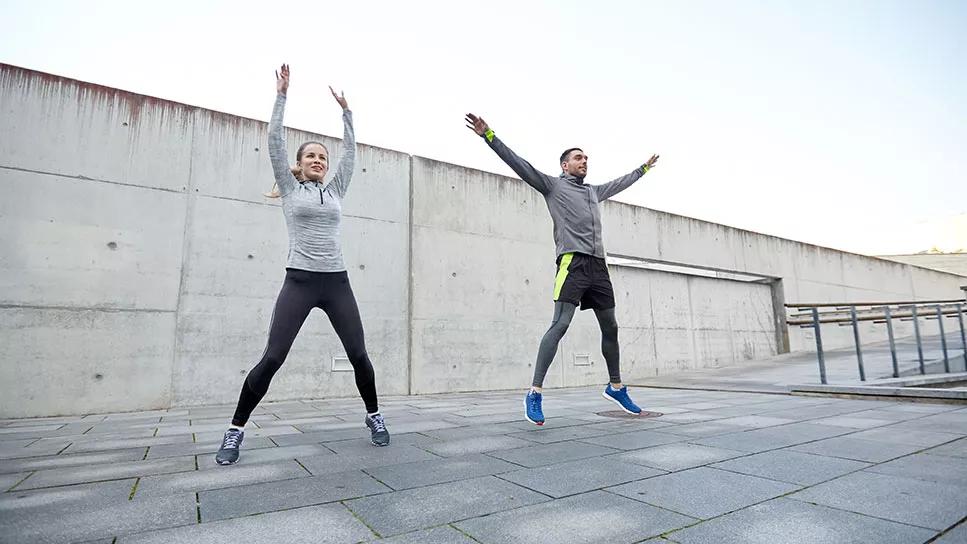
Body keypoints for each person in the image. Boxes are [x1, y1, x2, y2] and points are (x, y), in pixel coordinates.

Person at [216, 64, 389, 466]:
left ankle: (374, 416)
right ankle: (235, 430)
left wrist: (347, 113)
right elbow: (274, 139)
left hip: (337, 283)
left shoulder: (336, 189)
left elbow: (352, 153)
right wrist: (281, 95)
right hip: (299, 282)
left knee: (359, 355)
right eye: (311, 155)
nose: (318, 160)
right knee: (273, 356)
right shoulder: (292, 189)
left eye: (322, 156)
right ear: (299, 163)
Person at [465, 112, 658, 425]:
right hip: (572, 263)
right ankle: (535, 392)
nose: (584, 161)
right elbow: (518, 163)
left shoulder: (594, 192)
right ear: (565, 165)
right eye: (578, 158)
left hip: (598, 266)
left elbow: (621, 183)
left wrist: (643, 169)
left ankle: (615, 386)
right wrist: (489, 136)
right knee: (560, 324)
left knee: (611, 326)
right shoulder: (553, 186)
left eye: (586, 158)